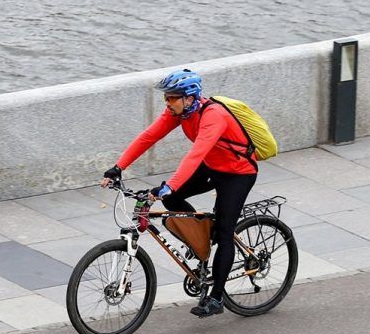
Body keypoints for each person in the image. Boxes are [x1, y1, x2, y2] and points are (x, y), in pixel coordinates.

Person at [100, 68, 258, 318]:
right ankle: (199, 240)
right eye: (166, 97)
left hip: (237, 174)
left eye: (172, 97)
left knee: (225, 233)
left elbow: (195, 154)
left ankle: (216, 298)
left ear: (189, 97)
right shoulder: (181, 113)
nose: (167, 102)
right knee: (169, 198)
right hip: (212, 167)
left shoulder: (213, 115)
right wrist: (118, 167)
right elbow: (148, 137)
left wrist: (170, 183)